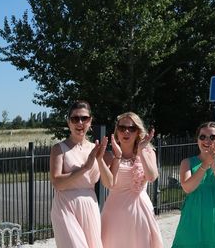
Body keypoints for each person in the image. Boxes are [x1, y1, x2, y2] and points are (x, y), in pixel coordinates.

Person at [49, 100, 110, 248]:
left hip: (90, 205)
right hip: (65, 206)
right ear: (68, 122)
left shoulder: (96, 149)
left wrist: (114, 157)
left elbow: (110, 182)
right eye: (75, 118)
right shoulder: (59, 149)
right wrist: (85, 167)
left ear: (90, 121)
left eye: (84, 118)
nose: (80, 123)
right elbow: (57, 183)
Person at [100, 112, 162, 248]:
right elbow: (109, 183)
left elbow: (152, 177)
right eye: (122, 128)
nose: (126, 132)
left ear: (137, 131)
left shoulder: (148, 152)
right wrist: (117, 157)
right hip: (114, 212)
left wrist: (140, 151)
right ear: (117, 131)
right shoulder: (109, 156)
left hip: (140, 211)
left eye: (131, 128)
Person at [171, 121, 215, 248]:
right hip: (192, 221)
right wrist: (205, 165)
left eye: (212, 137)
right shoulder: (187, 162)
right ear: (197, 140)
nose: (207, 140)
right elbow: (188, 188)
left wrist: (214, 166)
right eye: (202, 137)